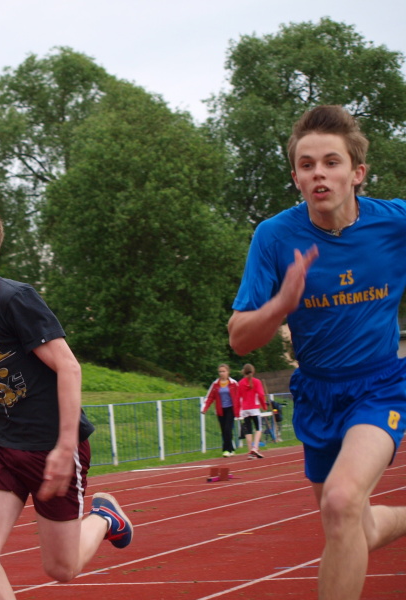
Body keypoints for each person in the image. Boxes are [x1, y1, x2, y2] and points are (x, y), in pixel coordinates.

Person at [228, 105, 406, 600]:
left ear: (357, 173)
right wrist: (280, 305)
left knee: (342, 500)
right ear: (296, 178)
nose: (319, 174)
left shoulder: (395, 224)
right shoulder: (274, 237)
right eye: (307, 165)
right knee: (354, 526)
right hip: (317, 394)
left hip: (380, 386)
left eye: (331, 162)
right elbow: (240, 339)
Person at [0, 199, 133, 600]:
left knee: (61, 568)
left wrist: (65, 445)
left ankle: (105, 518)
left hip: (51, 444)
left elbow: (69, 367)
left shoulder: (13, 298)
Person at [201, 364, 240, 457]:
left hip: (230, 409)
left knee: (227, 429)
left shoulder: (233, 383)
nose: (222, 373)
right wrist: (204, 408)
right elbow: (210, 397)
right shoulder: (215, 384)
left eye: (223, 371)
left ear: (228, 372)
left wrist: (240, 409)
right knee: (224, 430)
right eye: (220, 371)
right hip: (220, 410)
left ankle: (226, 449)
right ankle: (231, 449)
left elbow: (239, 396)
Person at [235, 363, 267, 458]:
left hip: (245, 409)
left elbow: (237, 398)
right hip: (254, 408)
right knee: (258, 428)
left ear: (243, 372)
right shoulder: (257, 382)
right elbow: (261, 394)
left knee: (248, 430)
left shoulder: (240, 383)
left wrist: (237, 411)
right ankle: (255, 447)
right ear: (253, 371)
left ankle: (250, 451)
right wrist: (264, 405)